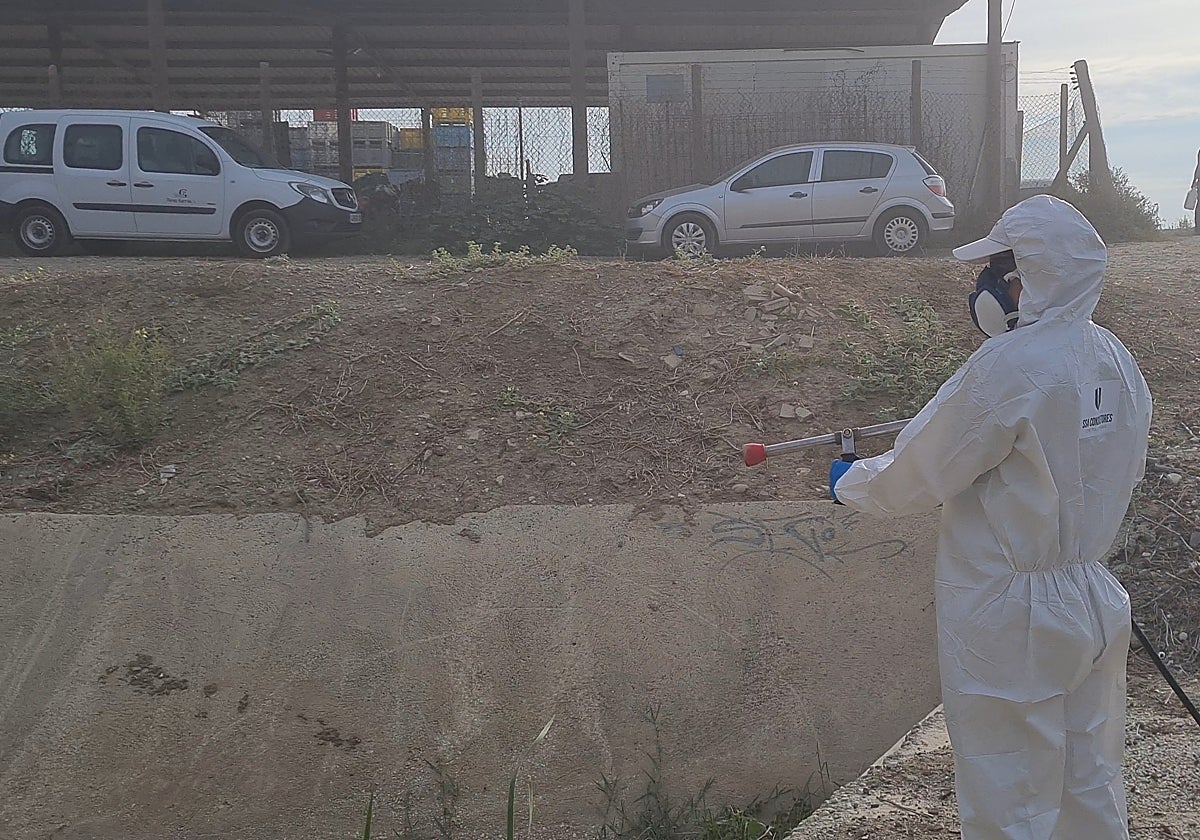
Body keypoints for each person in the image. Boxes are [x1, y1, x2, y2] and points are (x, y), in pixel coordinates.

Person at [829, 195, 1153, 840]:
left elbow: (923, 469)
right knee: (1089, 777)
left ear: (1023, 278)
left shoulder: (1008, 364)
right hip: (1091, 595)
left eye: (996, 271)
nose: (984, 287)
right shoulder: (1112, 356)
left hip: (1010, 612)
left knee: (1009, 789)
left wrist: (853, 483)